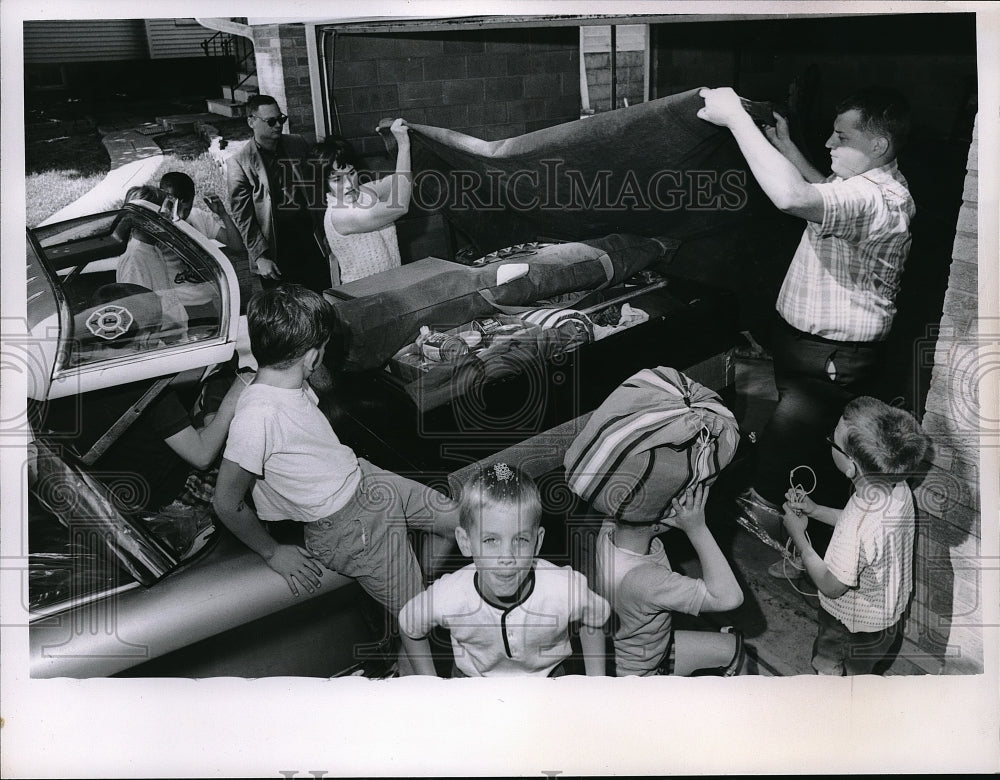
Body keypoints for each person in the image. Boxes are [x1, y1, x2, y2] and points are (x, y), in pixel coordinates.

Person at [696, 85, 916, 576]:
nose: (830, 144)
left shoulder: (879, 198)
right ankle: (808, 543)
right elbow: (825, 194)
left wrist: (737, 119)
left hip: (832, 355)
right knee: (818, 446)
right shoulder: (866, 185)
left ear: (877, 145)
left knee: (785, 448)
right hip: (809, 349)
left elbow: (794, 197)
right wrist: (788, 148)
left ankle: (804, 549)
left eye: (842, 137)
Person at [212, 283, 460, 675]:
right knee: (417, 619)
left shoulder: (289, 382)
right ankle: (423, 686)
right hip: (347, 525)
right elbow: (226, 501)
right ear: (312, 354)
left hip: (364, 479)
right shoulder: (257, 417)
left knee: (457, 522)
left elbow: (321, 388)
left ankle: (407, 594)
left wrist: (304, 355)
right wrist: (273, 552)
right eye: (322, 349)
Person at [46, 282, 248, 551]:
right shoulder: (147, 388)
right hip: (168, 497)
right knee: (243, 442)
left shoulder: (71, 376)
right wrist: (233, 396)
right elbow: (201, 457)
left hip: (120, 494)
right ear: (145, 337)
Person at [398, 463, 610, 677]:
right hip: (473, 684)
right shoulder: (449, 595)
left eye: (520, 539)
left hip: (547, 680)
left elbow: (594, 617)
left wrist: (597, 680)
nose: (507, 557)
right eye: (491, 540)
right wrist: (430, 681)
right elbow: (409, 626)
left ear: (537, 542)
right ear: (465, 542)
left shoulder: (563, 588)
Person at [780, 396, 930, 675]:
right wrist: (815, 511)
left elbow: (831, 585)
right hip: (885, 618)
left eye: (831, 440)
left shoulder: (859, 523)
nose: (829, 442)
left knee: (831, 666)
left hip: (847, 625)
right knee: (863, 673)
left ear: (851, 465)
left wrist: (798, 536)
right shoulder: (895, 488)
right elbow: (861, 533)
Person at [594, 483, 745, 677]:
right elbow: (730, 598)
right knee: (734, 650)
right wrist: (697, 528)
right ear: (657, 523)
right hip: (642, 673)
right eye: (673, 503)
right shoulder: (649, 581)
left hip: (623, 656)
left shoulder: (607, 532)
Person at [225, 95, 331, 293]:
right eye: (271, 121)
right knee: (287, 311)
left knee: (321, 295)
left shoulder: (297, 144)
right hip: (275, 247)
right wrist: (260, 257)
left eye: (281, 119)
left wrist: (326, 230)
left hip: (308, 238)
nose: (278, 126)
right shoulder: (239, 162)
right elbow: (243, 216)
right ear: (251, 121)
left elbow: (316, 188)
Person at [315, 118, 411, 285]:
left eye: (351, 173)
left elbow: (402, 178)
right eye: (337, 179)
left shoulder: (362, 192)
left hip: (390, 287)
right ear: (324, 184)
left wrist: (392, 142)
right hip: (362, 298)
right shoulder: (341, 215)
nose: (348, 184)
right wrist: (403, 145)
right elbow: (400, 206)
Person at [158, 171, 245, 252]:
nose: (180, 215)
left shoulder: (199, 217)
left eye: (186, 210)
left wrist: (223, 215)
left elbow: (237, 245)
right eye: (175, 208)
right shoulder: (155, 224)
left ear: (192, 200)